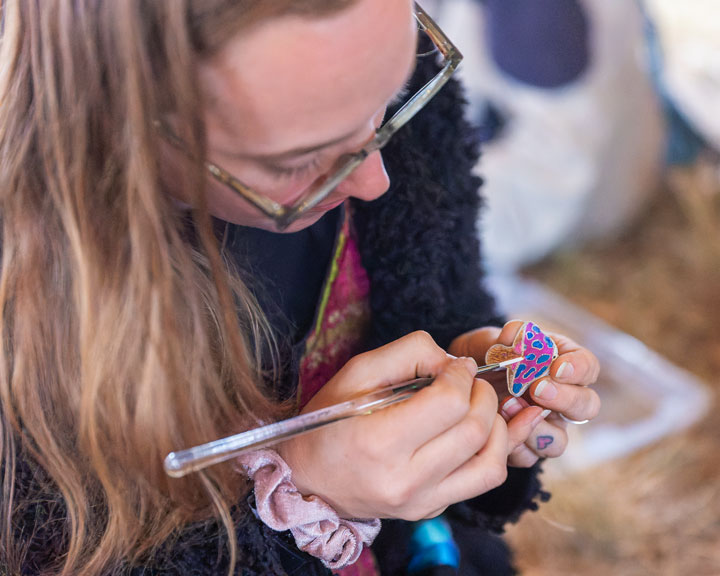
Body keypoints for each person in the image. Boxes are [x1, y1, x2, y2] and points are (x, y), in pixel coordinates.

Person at [0, 1, 600, 575]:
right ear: (122, 120)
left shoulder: (377, 79)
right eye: (296, 163)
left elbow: (442, 297)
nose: (375, 179)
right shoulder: (26, 321)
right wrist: (307, 500)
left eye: (389, 102)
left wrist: (472, 378)